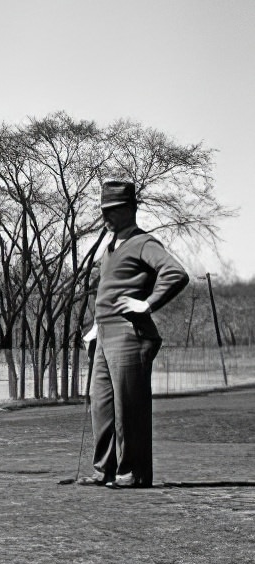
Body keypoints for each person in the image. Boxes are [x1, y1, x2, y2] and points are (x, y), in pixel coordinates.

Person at [79, 180, 189, 489]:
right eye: (103, 211)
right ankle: (105, 471)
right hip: (104, 336)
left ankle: (134, 473)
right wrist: (95, 328)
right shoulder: (110, 249)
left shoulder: (143, 242)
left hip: (130, 334)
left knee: (130, 407)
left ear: (131, 209)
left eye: (113, 210)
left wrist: (148, 304)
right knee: (100, 405)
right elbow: (109, 293)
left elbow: (176, 273)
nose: (107, 217)